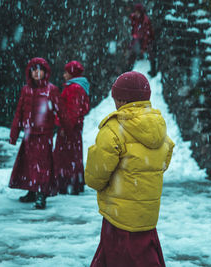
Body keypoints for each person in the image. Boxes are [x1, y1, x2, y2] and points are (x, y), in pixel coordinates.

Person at [85, 71, 174, 267]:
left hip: (119, 216)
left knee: (115, 258)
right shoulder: (158, 126)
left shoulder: (114, 129)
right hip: (146, 216)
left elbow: (96, 175)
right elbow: (164, 161)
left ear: (121, 99)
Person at [9, 57, 66, 209]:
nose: (37, 73)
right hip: (29, 133)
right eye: (34, 70)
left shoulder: (51, 90)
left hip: (44, 134)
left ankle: (41, 194)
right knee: (28, 164)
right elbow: (19, 112)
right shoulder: (26, 90)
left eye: (40, 70)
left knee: (42, 165)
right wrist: (14, 133)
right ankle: (31, 191)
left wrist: (65, 128)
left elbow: (60, 110)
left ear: (45, 72)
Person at [54, 60, 90, 195]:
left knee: (65, 157)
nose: (64, 75)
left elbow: (72, 111)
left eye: (66, 72)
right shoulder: (80, 86)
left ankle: (66, 184)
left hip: (69, 129)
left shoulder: (74, 88)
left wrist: (65, 127)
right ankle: (74, 183)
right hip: (73, 128)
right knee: (73, 157)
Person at [128, 3, 157, 77]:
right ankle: (128, 70)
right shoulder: (134, 18)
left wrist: (143, 48)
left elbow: (147, 35)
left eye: (138, 12)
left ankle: (153, 70)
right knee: (132, 52)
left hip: (146, 39)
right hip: (138, 38)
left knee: (151, 53)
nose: (137, 14)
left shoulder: (145, 20)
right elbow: (133, 29)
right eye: (136, 12)